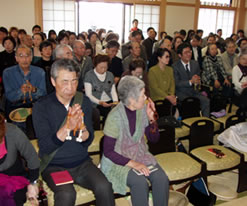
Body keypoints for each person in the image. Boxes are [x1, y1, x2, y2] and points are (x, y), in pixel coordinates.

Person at [32, 59, 115, 206]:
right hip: (54, 165)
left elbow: (88, 140)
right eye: (64, 82)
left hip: (82, 163)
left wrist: (82, 129)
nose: (70, 87)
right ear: (53, 81)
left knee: (105, 187)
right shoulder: (41, 107)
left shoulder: (83, 101)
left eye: (74, 81)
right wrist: (67, 127)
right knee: (67, 194)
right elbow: (44, 147)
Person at [101, 75, 169, 206]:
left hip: (140, 155)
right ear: (132, 99)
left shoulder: (142, 109)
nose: (145, 98)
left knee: (161, 179)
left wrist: (152, 119)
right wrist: (134, 164)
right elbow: (109, 152)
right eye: (143, 95)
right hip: (118, 161)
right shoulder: (114, 117)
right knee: (140, 183)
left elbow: (154, 139)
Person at [0, 113, 40, 206]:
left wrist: (33, 183)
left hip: (15, 177)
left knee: (16, 197)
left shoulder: (12, 132)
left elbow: (32, 157)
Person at [3, 45, 47, 116]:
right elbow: (9, 96)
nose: (24, 59)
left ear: (31, 58)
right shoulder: (8, 73)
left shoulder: (40, 72)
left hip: (34, 106)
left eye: (27, 56)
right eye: (21, 56)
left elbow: (44, 93)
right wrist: (20, 91)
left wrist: (34, 90)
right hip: (14, 107)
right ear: (16, 58)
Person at [172, 43, 210, 117]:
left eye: (189, 52)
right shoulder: (175, 66)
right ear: (180, 55)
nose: (188, 54)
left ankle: (206, 120)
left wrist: (198, 80)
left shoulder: (195, 64)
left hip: (194, 91)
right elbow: (177, 83)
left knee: (206, 100)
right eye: (186, 53)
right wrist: (190, 82)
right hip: (182, 92)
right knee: (189, 102)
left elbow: (198, 77)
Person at [84, 54, 118, 125]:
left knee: (116, 111)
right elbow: (88, 95)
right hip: (95, 103)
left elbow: (113, 91)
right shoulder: (89, 75)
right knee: (102, 113)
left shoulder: (110, 75)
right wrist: (100, 102)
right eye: (101, 67)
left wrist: (115, 102)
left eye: (105, 67)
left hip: (109, 100)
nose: (103, 69)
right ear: (95, 65)